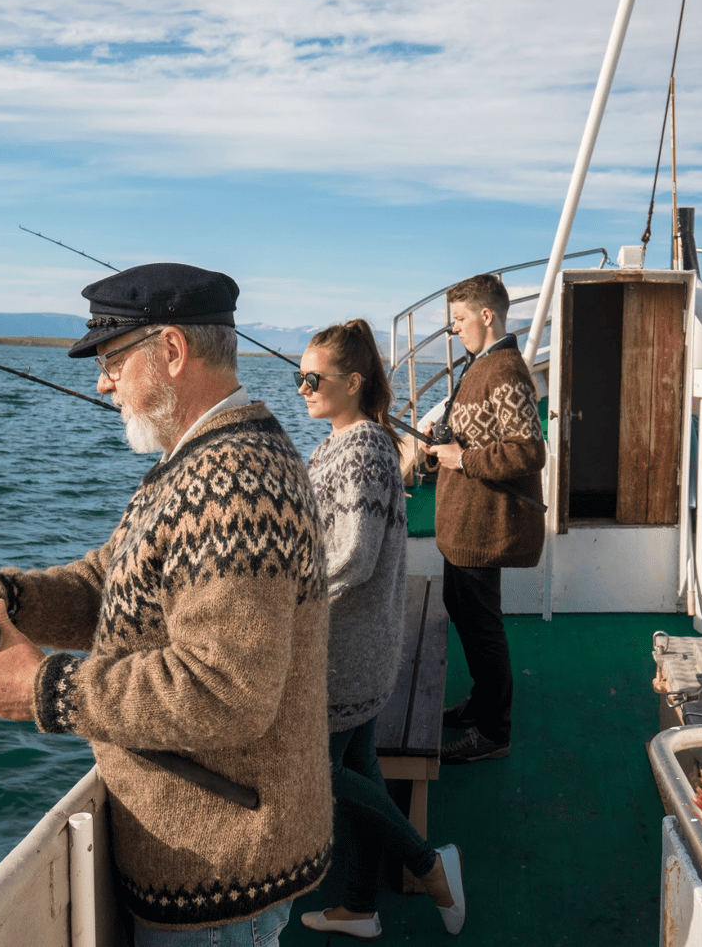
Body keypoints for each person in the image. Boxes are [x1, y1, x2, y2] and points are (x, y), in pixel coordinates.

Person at [0, 263, 332, 947]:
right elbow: (104, 583)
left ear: (171, 351)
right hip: (204, 866)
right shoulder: (198, 463)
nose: (102, 382)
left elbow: (225, 692)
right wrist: (9, 596)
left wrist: (44, 688)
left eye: (113, 360)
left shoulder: (232, 486)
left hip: (220, 883)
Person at [294, 320, 466, 940]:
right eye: (299, 377)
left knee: (309, 772)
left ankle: (427, 863)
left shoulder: (361, 448)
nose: (303, 388)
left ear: (354, 382)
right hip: (361, 641)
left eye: (313, 379)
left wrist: (288, 600)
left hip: (346, 645)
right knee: (361, 771)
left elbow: (354, 556)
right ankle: (361, 905)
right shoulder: (354, 443)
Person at [424, 273, 546, 765]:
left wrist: (463, 460)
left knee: (482, 626)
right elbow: (476, 434)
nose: (454, 329)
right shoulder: (481, 366)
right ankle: (481, 704)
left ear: (486, 316)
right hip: (465, 525)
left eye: (458, 319)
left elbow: (529, 451)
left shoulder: (505, 370)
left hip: (483, 526)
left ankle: (494, 731)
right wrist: (444, 439)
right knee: (466, 612)